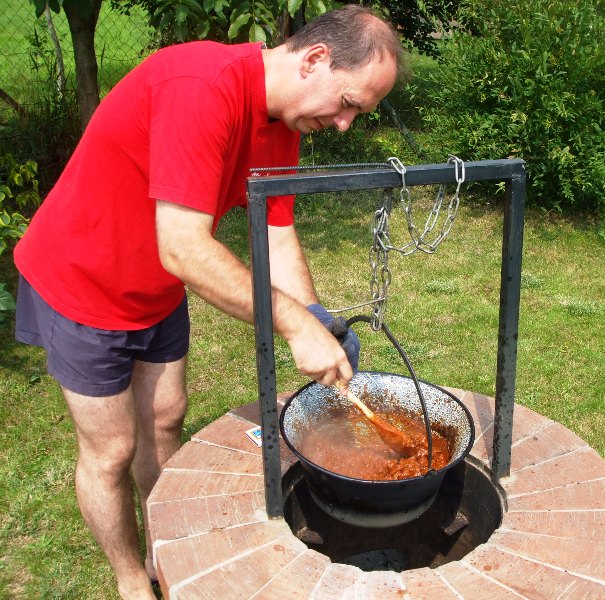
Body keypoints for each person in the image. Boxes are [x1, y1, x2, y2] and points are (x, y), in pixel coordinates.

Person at [13, 6, 405, 599]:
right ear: (315, 59)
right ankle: (131, 581)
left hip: (157, 286)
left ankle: (164, 552)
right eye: (349, 103)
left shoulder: (285, 124)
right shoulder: (200, 87)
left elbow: (274, 232)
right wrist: (291, 324)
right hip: (81, 282)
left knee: (165, 419)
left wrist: (316, 319)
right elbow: (183, 247)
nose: (347, 124)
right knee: (112, 449)